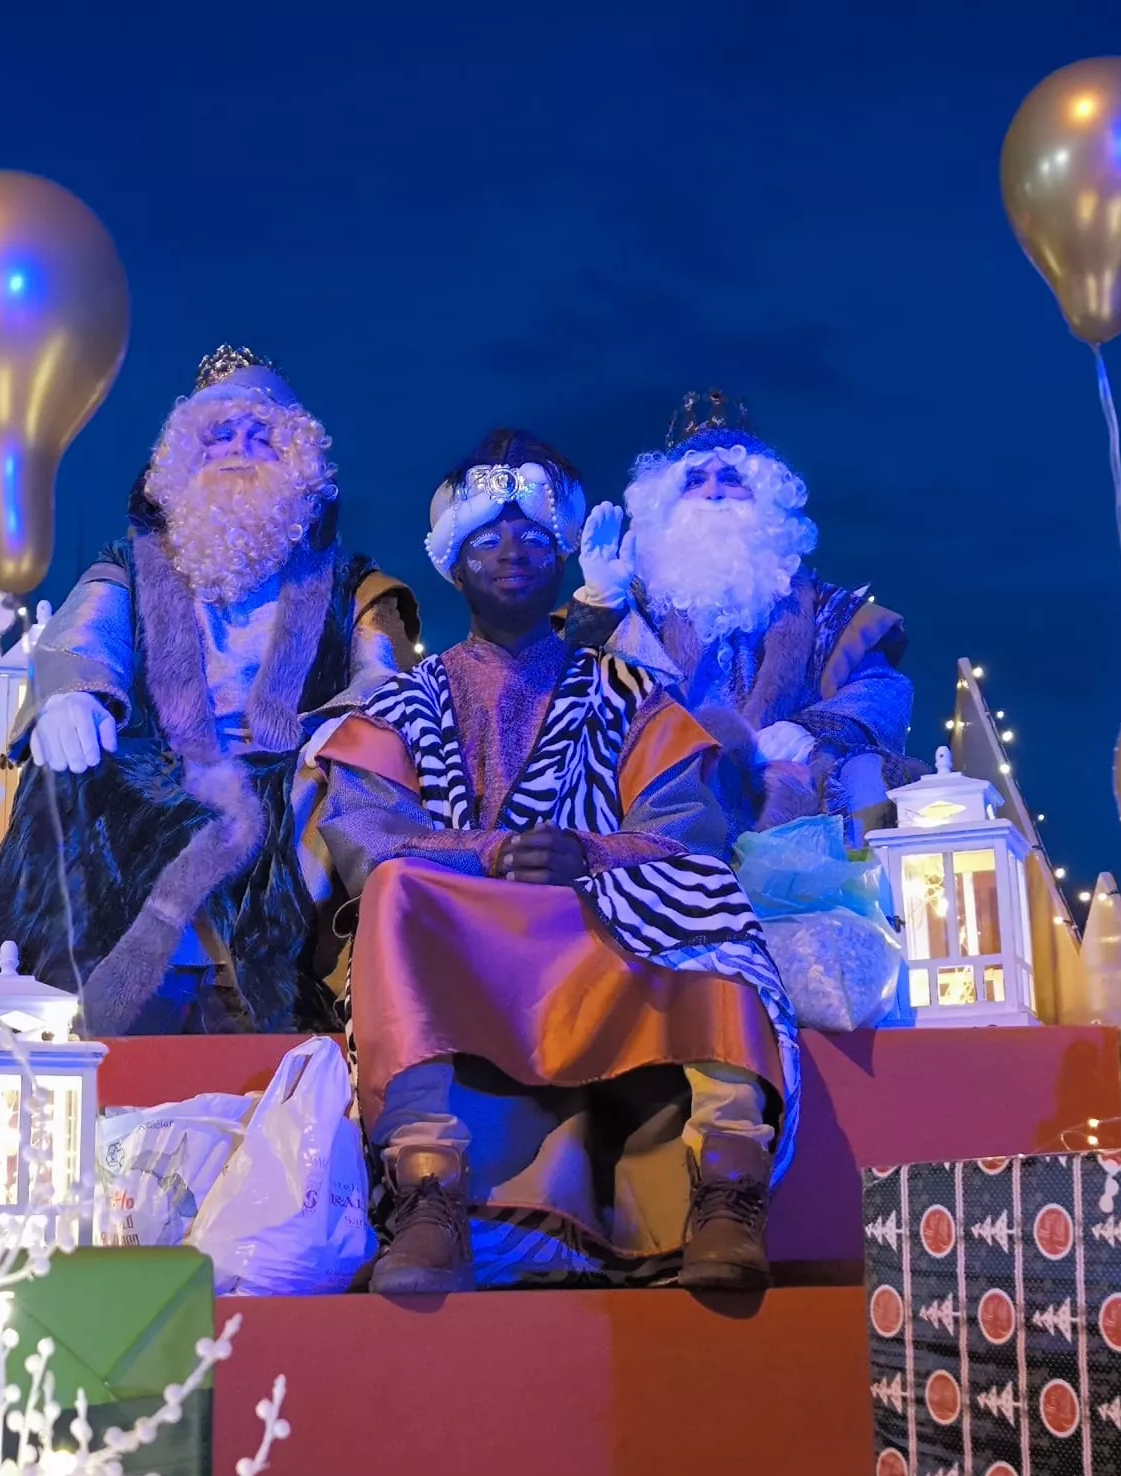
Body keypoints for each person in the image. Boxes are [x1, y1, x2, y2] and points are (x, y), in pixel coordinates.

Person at [317, 430, 800, 1294]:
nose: (512, 552)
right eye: (486, 538)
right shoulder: (403, 703)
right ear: (451, 564)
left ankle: (726, 1184)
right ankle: (431, 1194)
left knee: (706, 889)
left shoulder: (631, 692)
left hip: (601, 923)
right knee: (394, 891)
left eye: (535, 537)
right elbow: (361, 827)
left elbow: (687, 825)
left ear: (562, 559)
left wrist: (586, 853)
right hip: (464, 935)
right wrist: (490, 853)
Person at [0, 346, 418, 1035]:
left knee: (345, 783)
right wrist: (75, 694)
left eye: (260, 437)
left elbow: (386, 685)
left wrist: (337, 726)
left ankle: (285, 1002)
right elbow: (84, 636)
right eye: (218, 436)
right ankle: (69, 1006)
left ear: (298, 464)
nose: (237, 452)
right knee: (70, 769)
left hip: (294, 775)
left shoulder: (354, 584)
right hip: (154, 773)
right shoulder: (130, 565)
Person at [567, 391, 920, 842]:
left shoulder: (825, 610)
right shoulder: (639, 601)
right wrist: (603, 606)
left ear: (765, 499)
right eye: (694, 480)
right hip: (667, 792)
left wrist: (805, 730)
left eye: (730, 478)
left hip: (788, 791)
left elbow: (882, 688)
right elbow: (573, 689)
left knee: (859, 779)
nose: (713, 493)